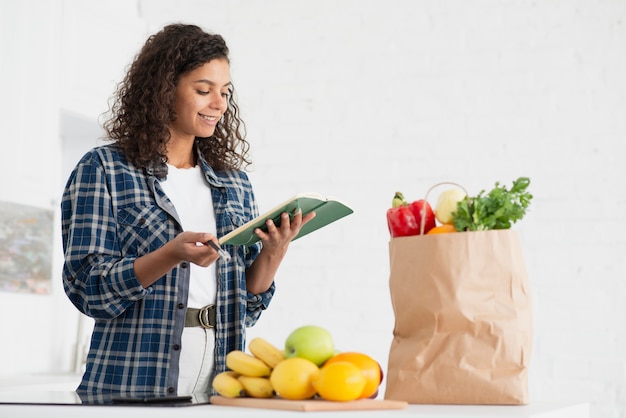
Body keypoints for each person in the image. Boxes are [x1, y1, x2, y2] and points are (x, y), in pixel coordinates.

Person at [61, 23, 314, 396]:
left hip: (223, 376)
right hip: (132, 377)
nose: (219, 104)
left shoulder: (234, 184)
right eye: (203, 90)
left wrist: (275, 252)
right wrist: (170, 255)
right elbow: (88, 288)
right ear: (163, 90)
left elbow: (246, 307)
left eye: (225, 92)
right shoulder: (104, 169)